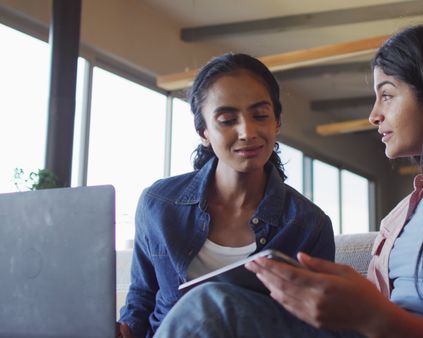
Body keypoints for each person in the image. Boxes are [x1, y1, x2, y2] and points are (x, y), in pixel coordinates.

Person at [154, 22, 423, 338]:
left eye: (387, 94)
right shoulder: (400, 217)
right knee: (217, 307)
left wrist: (373, 314)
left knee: (213, 308)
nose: (374, 114)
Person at [116, 53, 335, 338]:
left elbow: (311, 325)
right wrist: (125, 330)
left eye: (260, 116)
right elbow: (142, 297)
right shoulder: (159, 204)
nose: (247, 132)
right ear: (203, 131)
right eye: (227, 120)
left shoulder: (309, 225)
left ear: (277, 122)